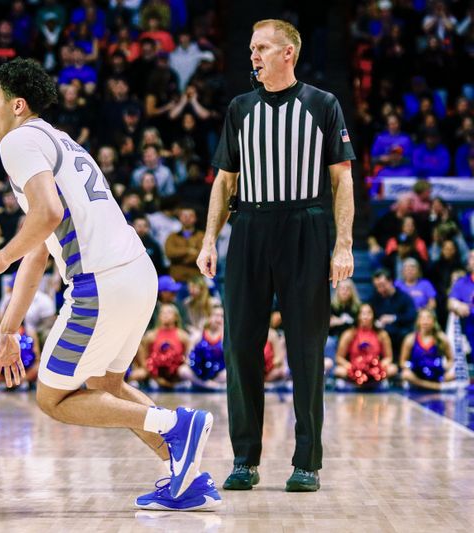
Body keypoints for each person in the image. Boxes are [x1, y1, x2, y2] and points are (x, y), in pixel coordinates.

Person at [0, 58, 219, 510]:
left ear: (17, 106)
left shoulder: (19, 141)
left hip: (100, 280)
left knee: (53, 399)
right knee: (107, 384)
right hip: (137, 273)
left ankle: (175, 425)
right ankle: (186, 477)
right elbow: (39, 248)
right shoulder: (57, 140)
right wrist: (8, 330)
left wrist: (1, 256)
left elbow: (48, 215)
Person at [199, 19, 355, 492]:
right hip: (248, 227)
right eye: (251, 48)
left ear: (288, 53)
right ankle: (245, 459)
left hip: (305, 225)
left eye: (262, 47)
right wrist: (210, 240)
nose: (253, 55)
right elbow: (225, 181)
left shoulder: (322, 104)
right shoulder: (240, 109)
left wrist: (342, 243)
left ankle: (306, 461)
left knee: (307, 348)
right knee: (240, 345)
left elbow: (342, 178)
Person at [334, 303, 397, 388]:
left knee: (393, 368)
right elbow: (339, 357)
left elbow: (389, 357)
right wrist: (351, 367)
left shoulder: (382, 334)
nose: (365, 316)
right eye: (362, 313)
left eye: (368, 313)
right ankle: (360, 384)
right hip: (355, 369)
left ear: (373, 315)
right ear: (358, 316)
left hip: (375, 369)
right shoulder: (349, 334)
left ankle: (372, 382)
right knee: (339, 370)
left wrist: (379, 366)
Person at [135, 303, 191, 389]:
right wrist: (156, 378)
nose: (165, 315)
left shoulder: (183, 336)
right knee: (140, 373)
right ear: (159, 316)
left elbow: (188, 358)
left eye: (169, 312)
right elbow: (144, 360)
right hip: (154, 376)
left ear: (176, 317)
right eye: (162, 312)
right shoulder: (150, 335)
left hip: (176, 376)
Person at [400, 309, 455, 391]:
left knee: (453, 375)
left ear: (434, 321)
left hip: (436, 373)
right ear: (418, 321)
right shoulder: (410, 339)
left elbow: (451, 359)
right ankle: (435, 386)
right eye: (422, 318)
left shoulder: (442, 338)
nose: (425, 322)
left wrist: (445, 366)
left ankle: (426, 385)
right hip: (418, 374)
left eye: (428, 318)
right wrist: (410, 366)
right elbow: (402, 361)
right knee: (405, 374)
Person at [370, 268, 418, 355]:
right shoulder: (375, 298)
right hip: (382, 335)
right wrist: (376, 323)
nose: (380, 289)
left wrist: (394, 318)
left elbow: (411, 316)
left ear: (390, 281)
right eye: (377, 287)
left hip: (400, 333)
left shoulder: (404, 297)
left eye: (382, 285)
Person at [179, 306, 227, 389]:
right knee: (182, 370)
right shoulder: (199, 334)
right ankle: (207, 385)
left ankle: (209, 384)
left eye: (221, 316)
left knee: (228, 373)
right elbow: (188, 356)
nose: (218, 319)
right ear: (209, 317)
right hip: (199, 372)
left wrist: (222, 330)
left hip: (218, 373)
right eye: (216, 315)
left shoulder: (225, 337)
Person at [165, 207, 205, 283]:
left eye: (190, 216)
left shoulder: (202, 236)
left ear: (195, 218)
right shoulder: (172, 237)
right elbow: (170, 253)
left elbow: (201, 255)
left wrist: (179, 259)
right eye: (184, 216)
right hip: (176, 279)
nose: (187, 218)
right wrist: (188, 251)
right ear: (179, 218)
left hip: (196, 280)